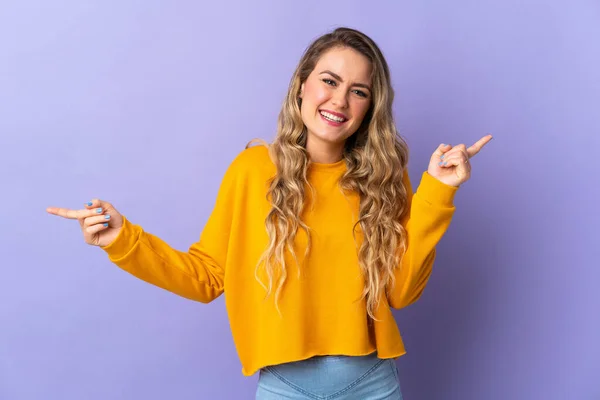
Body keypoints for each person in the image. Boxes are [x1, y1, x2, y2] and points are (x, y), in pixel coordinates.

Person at [47, 27, 492, 399]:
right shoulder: (253, 170)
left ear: (369, 108)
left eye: (359, 91)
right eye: (329, 81)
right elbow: (206, 278)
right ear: (302, 83)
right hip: (285, 388)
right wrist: (123, 240)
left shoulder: (380, 181)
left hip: (371, 384)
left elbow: (401, 292)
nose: (339, 100)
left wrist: (437, 191)